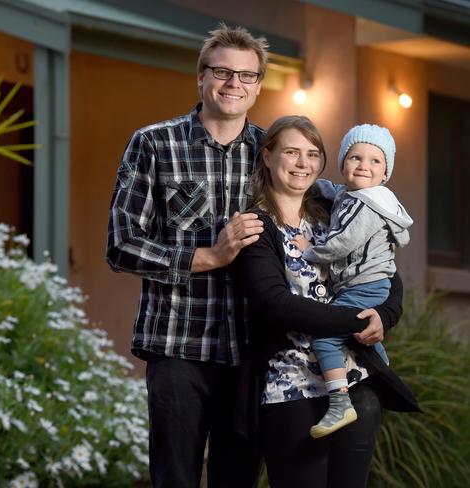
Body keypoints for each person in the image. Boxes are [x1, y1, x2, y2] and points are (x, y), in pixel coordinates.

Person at [106, 23, 269, 488]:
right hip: (177, 347)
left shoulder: (271, 153)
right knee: (174, 478)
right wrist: (209, 256)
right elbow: (120, 245)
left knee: (235, 479)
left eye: (246, 75)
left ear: (258, 86)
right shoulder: (154, 144)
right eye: (222, 72)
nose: (233, 83)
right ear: (201, 77)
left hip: (250, 351)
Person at [232, 115, 419, 488]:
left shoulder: (331, 214)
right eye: (291, 152)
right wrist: (354, 321)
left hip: (353, 384)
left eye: (312, 154)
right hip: (291, 388)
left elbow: (387, 272)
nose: (303, 163)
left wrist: (384, 314)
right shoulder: (257, 224)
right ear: (267, 157)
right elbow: (275, 304)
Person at [290, 124, 413, 439]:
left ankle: (340, 402)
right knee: (360, 337)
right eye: (355, 157)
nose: (363, 166)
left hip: (366, 285)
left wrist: (310, 252)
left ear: (385, 173)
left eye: (375, 161)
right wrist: (307, 183)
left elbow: (342, 243)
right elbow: (332, 189)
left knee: (325, 338)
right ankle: (378, 372)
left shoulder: (368, 204)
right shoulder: (351, 193)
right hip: (361, 283)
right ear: (343, 163)